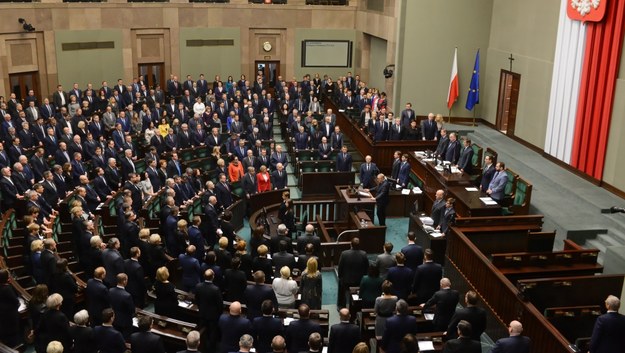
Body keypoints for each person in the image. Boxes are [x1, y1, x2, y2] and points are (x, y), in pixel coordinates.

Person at [194, 269, 223, 353]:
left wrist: (200, 308)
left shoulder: (198, 286)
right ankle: (211, 349)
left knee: (203, 332)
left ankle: (203, 347)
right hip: (213, 315)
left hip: (202, 313)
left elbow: (197, 300)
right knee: (212, 333)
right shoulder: (216, 289)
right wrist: (219, 313)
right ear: (213, 277)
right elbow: (219, 304)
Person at [337, 237, 369, 308]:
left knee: (341, 288)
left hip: (346, 280)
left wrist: (340, 276)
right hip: (359, 280)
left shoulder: (344, 253)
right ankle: (357, 306)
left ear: (350, 244)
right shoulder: (363, 254)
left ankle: (341, 306)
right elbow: (367, 267)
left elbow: (340, 266)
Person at [109, 273, 136, 339]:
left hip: (114, 319)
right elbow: (132, 310)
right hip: (125, 322)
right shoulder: (127, 295)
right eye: (127, 280)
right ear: (124, 281)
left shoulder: (111, 290)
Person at [0, 268, 20, 347]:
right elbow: (15, 300)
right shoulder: (7, 288)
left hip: (2, 314)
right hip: (10, 315)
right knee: (12, 336)